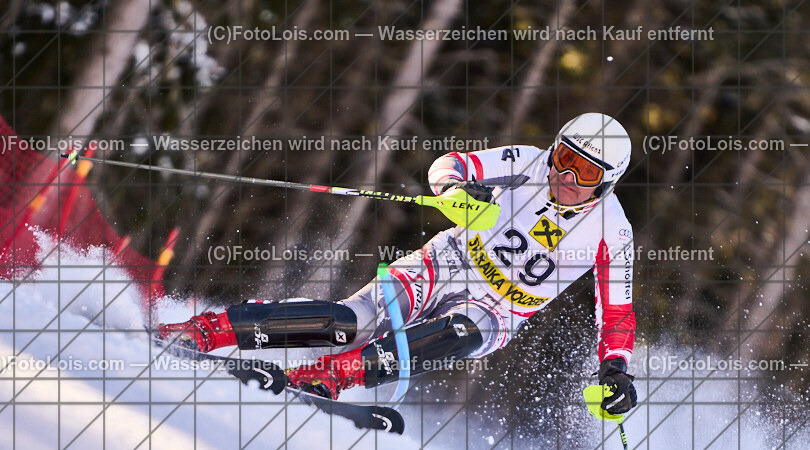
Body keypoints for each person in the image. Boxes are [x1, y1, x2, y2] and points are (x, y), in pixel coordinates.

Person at [158, 113, 638, 415]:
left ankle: (336, 374)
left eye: (586, 173)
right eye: (564, 159)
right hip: (448, 262)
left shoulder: (611, 233)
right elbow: (452, 165)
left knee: (461, 333)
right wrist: (454, 193)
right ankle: (210, 330)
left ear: (606, 184)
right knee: (352, 322)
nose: (565, 176)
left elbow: (616, 315)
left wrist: (615, 369)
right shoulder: (529, 162)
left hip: (500, 309)